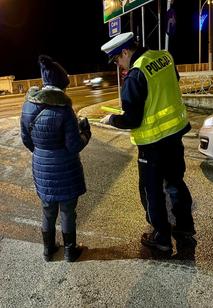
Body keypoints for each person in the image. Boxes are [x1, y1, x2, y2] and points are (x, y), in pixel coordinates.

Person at [100, 32, 196, 254]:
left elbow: (131, 119)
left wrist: (112, 119)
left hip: (152, 143)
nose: (118, 65)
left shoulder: (135, 75)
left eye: (117, 60)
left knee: (151, 190)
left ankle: (161, 236)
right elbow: (171, 84)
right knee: (175, 183)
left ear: (125, 52)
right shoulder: (165, 57)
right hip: (174, 135)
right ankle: (185, 227)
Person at [20, 55, 91, 262]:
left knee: (48, 210)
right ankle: (70, 251)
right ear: (62, 85)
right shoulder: (64, 109)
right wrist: (86, 133)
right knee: (68, 211)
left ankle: (48, 250)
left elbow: (26, 140)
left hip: (41, 166)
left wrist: (43, 151)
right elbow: (74, 145)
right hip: (66, 168)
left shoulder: (28, 105)